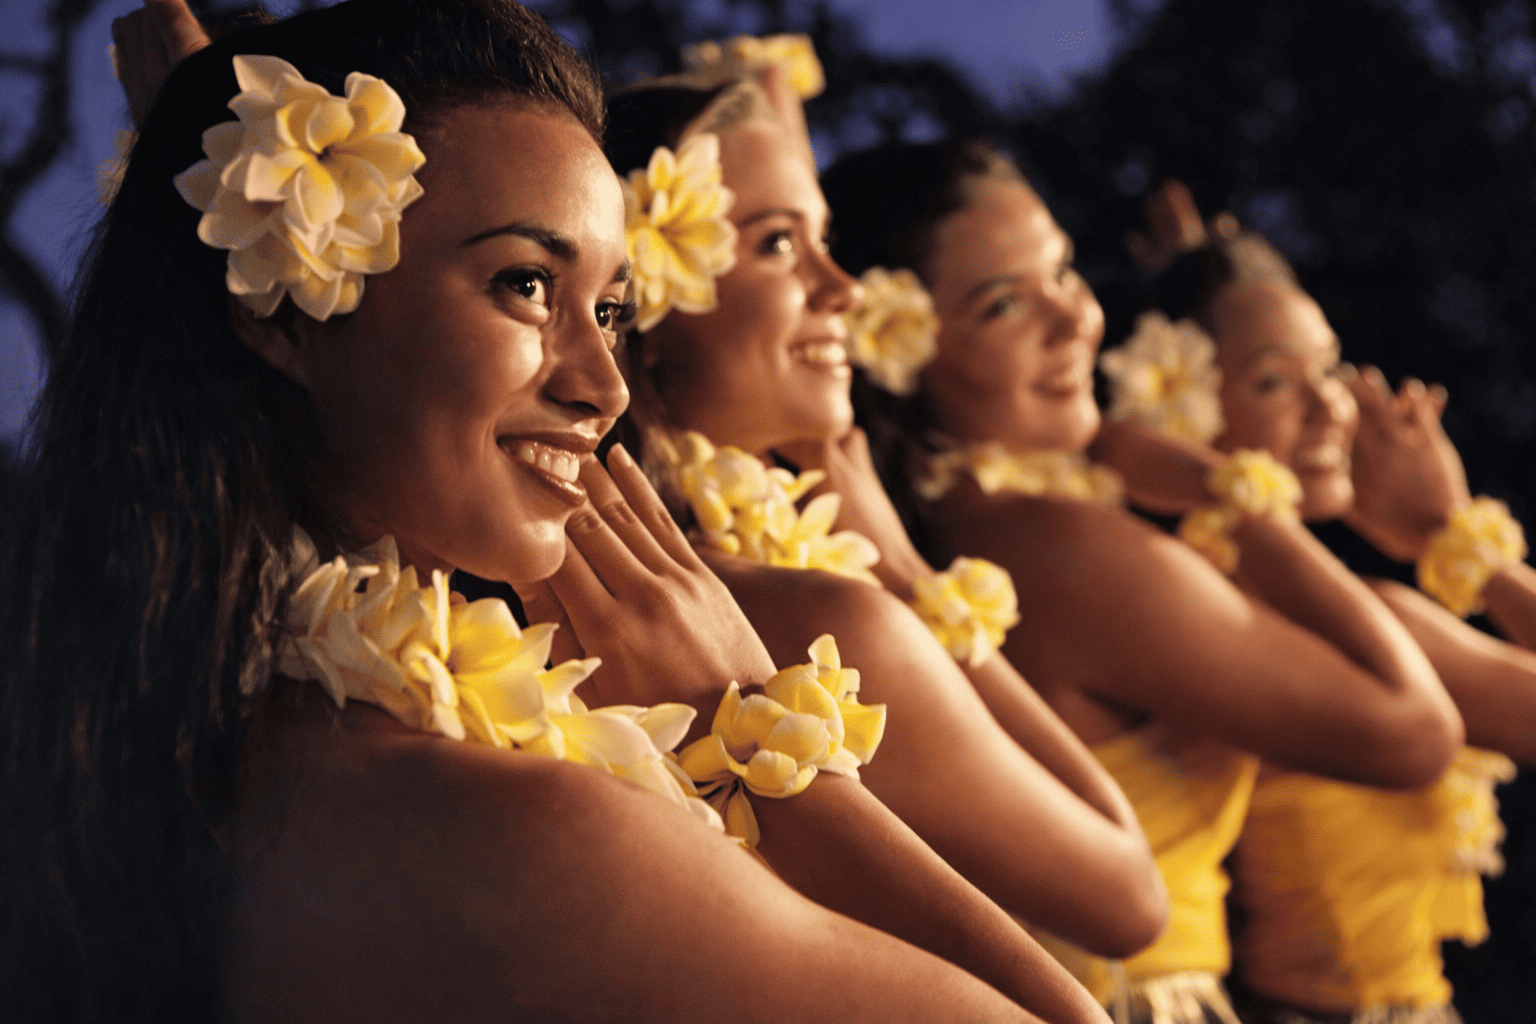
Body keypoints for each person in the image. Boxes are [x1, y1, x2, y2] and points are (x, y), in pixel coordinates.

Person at [0, 3, 1109, 1020]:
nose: (604, 383)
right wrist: (763, 734)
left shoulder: (145, 739)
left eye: (612, 308)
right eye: (526, 283)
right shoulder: (531, 831)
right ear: (278, 310)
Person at [820, 140, 1463, 1024]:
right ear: (896, 348)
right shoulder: (1061, 549)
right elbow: (1415, 730)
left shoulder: (954, 533)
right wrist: (1225, 491)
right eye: (1004, 304)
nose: (1075, 319)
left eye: (1063, 271)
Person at [599, 61, 1168, 958]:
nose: (844, 287)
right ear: (636, 306)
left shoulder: (589, 588)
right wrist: (902, 573)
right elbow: (1132, 898)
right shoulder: (831, 627)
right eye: (780, 243)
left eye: (824, 238)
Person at [1129, 185, 1536, 1024]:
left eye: (1332, 366)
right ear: (1189, 409)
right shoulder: (1321, 624)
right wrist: (1452, 536)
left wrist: (1207, 276)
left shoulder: (1187, 592)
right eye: (1278, 381)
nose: (1330, 407)